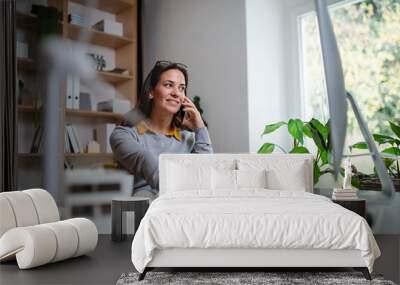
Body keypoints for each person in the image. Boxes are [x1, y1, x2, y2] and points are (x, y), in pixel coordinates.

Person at [110, 61, 213, 199]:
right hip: (144, 212)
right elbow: (145, 160)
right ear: (151, 92)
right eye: (169, 85)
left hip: (184, 208)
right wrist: (181, 193)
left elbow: (205, 173)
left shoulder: (189, 139)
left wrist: (200, 128)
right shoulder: (124, 135)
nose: (177, 93)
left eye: (182, 88)